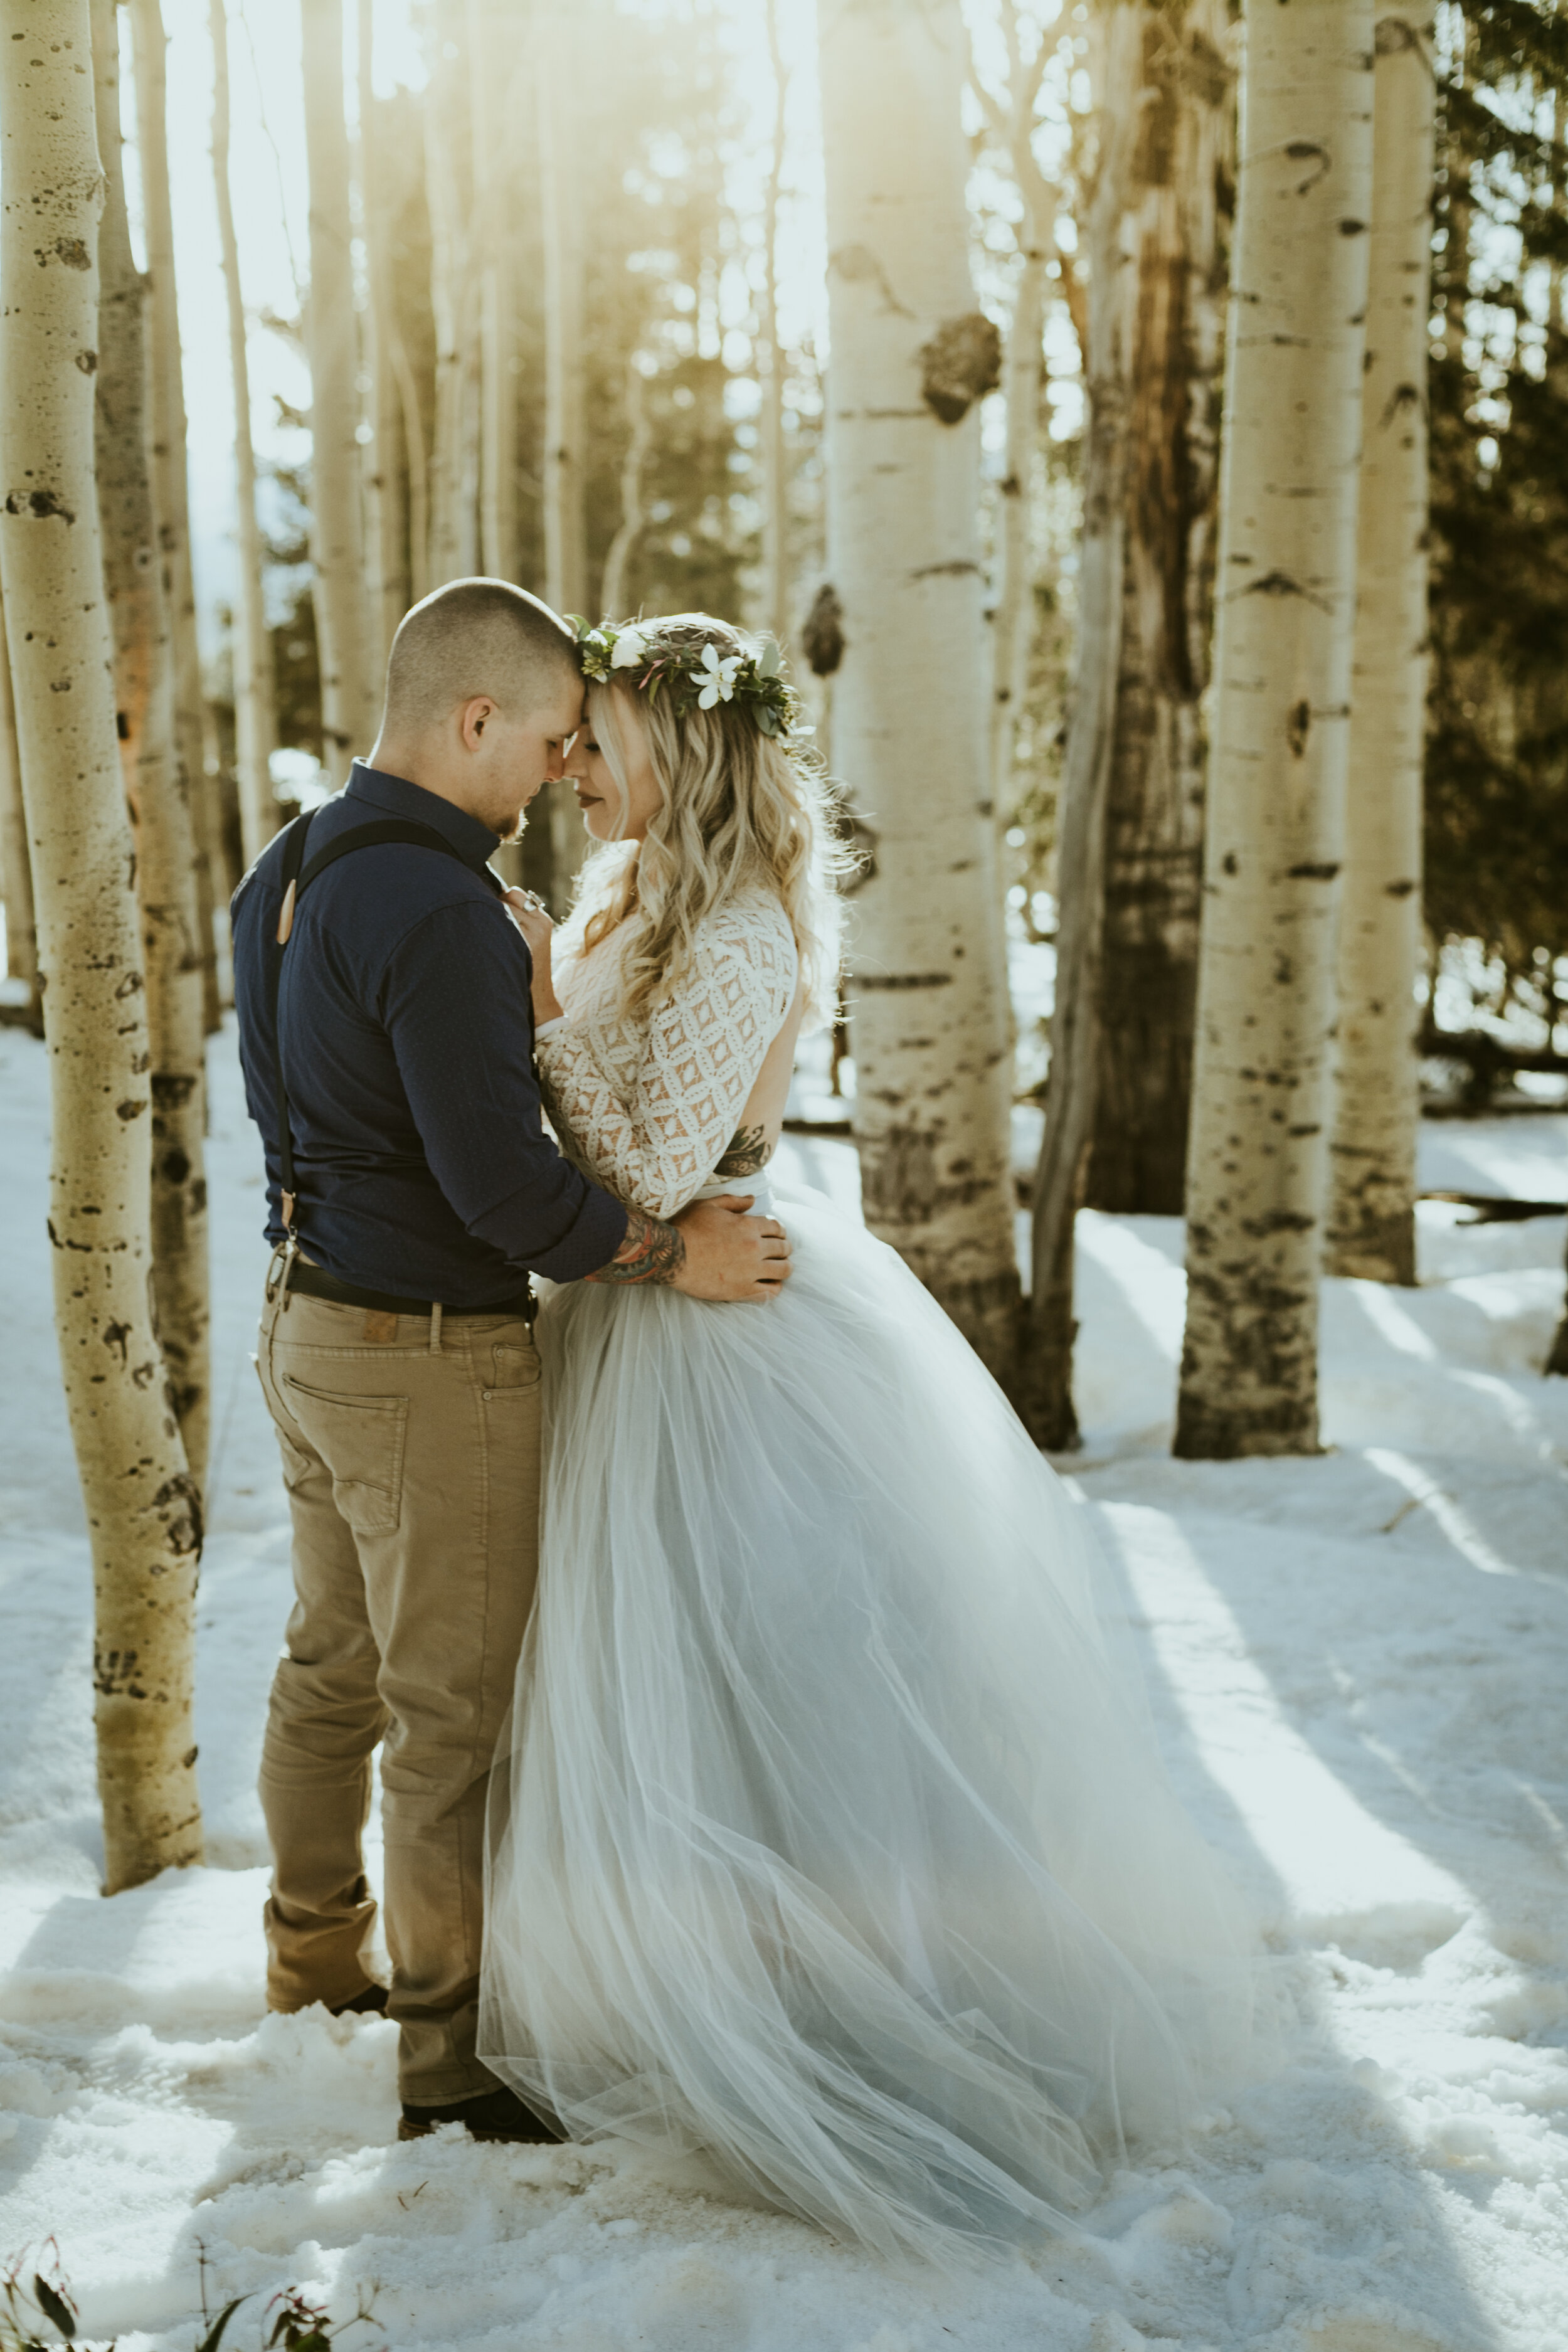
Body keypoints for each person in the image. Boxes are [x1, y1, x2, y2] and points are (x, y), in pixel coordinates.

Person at [479, 612, 1272, 2266]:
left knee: (769, 1680)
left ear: (677, 756)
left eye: (602, 736)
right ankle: (651, 1988)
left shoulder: (749, 924)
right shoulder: (638, 892)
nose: (575, 765)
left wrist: (540, 997)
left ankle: (827, 2013)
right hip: (636, 1313)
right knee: (641, 1682)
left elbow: (651, 1143)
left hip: (724, 1331)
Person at [230, 580, 792, 2151]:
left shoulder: (286, 867)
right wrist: (679, 1253)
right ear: (471, 718)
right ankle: (449, 2059)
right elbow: (510, 1197)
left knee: (329, 1665)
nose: (559, 771)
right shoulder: (442, 912)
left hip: (305, 1318)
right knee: (452, 1719)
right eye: (548, 737)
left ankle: (311, 1954)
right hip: (424, 1351)